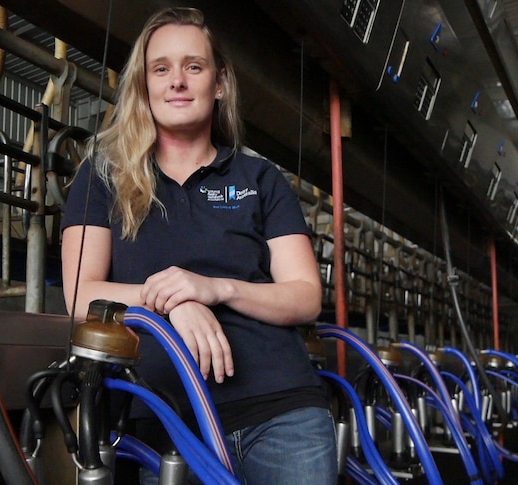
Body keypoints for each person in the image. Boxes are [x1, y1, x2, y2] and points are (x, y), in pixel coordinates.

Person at [61, 7, 337, 484]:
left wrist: (215, 289)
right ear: (144, 87)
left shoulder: (259, 179)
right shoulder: (103, 175)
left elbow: (305, 295)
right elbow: (81, 297)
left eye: (194, 66)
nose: (178, 82)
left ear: (220, 83)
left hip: (281, 408)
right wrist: (171, 303)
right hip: (163, 417)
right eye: (161, 69)